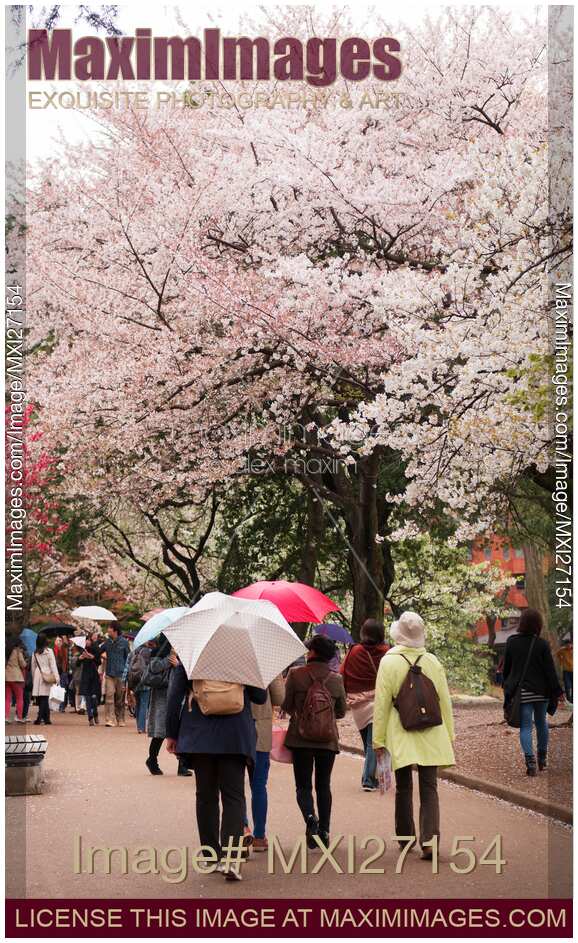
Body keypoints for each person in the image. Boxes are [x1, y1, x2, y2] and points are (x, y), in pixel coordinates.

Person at [166, 666, 267, 881]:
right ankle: (230, 859)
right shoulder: (242, 657)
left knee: (206, 797)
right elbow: (260, 697)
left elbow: (174, 696)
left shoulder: (192, 656)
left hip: (199, 735)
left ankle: (211, 856)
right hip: (235, 736)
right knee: (234, 797)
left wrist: (172, 734)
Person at [373, 612, 455, 860]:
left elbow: (382, 704)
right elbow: (445, 701)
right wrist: (449, 734)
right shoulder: (432, 661)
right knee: (429, 787)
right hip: (432, 731)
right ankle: (429, 842)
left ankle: (406, 838)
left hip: (401, 732)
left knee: (404, 786)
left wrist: (377, 740)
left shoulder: (388, 662)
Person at [282, 635, 347, 849]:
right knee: (323, 785)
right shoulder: (336, 679)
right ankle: (325, 831)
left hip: (300, 739)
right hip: (327, 741)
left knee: (303, 786)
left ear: (313, 653)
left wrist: (301, 715)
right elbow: (340, 712)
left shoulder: (295, 674)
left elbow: (287, 704)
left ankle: (311, 818)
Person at [503, 608, 563, 775]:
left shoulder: (511, 642)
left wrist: (508, 688)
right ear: (538, 624)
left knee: (526, 727)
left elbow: (507, 668)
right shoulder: (542, 644)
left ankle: (530, 763)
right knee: (542, 723)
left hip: (522, 692)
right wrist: (558, 691)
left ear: (522, 623)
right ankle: (542, 759)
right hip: (542, 692)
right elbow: (550, 671)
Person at [340, 618, 389, 791]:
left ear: (364, 633)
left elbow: (342, 673)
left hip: (358, 704)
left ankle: (373, 777)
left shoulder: (355, 651)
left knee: (370, 743)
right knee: (372, 744)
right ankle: (369, 780)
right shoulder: (387, 652)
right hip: (378, 702)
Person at [244, 674, 285, 852]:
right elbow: (279, 697)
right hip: (260, 728)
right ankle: (260, 836)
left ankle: (243, 829)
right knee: (259, 784)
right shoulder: (266, 657)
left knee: (234, 787)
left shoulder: (227, 657)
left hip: (234, 729)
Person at [145, 640, 191, 777]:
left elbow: (187, 671)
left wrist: (178, 664)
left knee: (179, 728)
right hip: (161, 694)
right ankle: (152, 760)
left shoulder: (184, 650)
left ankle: (182, 765)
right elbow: (153, 667)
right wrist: (168, 660)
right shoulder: (158, 651)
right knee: (160, 731)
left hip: (177, 693)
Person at [100, 622, 130, 727]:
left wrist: (127, 675)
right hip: (109, 674)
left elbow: (128, 658)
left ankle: (120, 718)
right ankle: (109, 719)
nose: (108, 630)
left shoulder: (125, 643)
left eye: (109, 628)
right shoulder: (107, 642)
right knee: (109, 696)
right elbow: (98, 651)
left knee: (120, 698)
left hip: (121, 674)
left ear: (115, 630)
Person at [31, 634, 59, 725]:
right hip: (47, 674)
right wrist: (57, 677)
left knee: (42, 697)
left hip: (38, 674)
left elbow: (33, 666)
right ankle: (40, 718)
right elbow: (53, 665)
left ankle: (47, 718)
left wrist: (33, 677)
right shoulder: (49, 651)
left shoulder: (34, 652)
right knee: (45, 697)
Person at [77, 638, 102, 726]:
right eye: (85, 640)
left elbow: (99, 662)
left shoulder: (95, 650)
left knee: (94, 699)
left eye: (88, 640)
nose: (86, 642)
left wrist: (91, 657)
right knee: (87, 698)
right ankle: (90, 718)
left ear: (91, 641)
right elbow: (77, 664)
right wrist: (80, 658)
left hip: (94, 677)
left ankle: (95, 714)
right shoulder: (83, 651)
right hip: (85, 678)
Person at [5, 636, 28, 723]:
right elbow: (23, 664)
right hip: (16, 678)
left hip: (6, 677)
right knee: (19, 698)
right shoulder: (17, 651)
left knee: (7, 698)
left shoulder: (5, 651)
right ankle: (19, 717)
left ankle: (5, 717)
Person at [555, 637, 573, 704]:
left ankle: (573, 700)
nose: (568, 646)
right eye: (566, 645)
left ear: (571, 644)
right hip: (566, 671)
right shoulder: (562, 650)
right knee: (567, 686)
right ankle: (568, 700)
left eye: (569, 644)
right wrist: (561, 661)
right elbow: (557, 654)